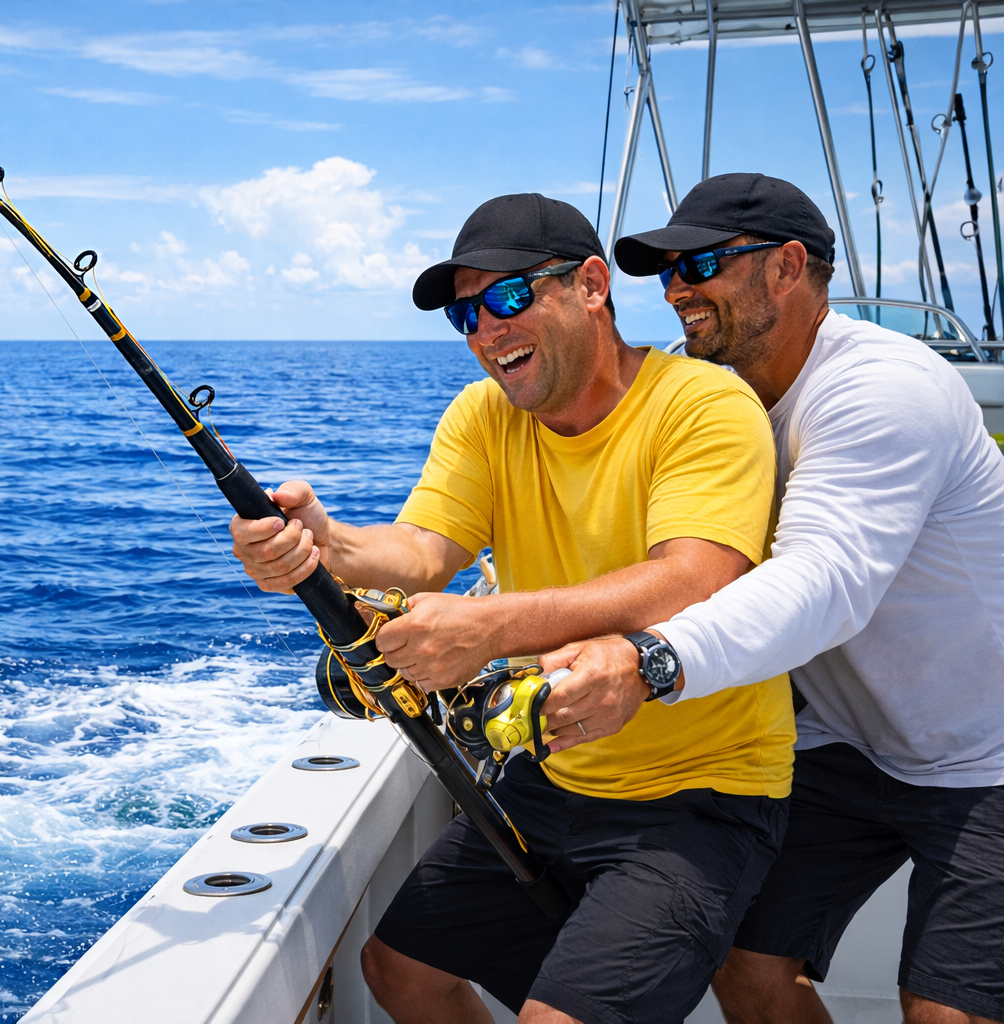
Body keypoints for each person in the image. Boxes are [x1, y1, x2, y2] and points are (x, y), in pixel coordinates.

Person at [228, 193, 796, 1024]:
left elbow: (694, 578)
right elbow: (424, 552)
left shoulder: (703, 404)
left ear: (592, 286)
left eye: (508, 296)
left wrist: (487, 627)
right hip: (554, 774)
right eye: (467, 314)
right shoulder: (482, 415)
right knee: (400, 972)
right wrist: (326, 543)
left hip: (702, 796)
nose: (486, 330)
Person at [541, 173, 1004, 1024]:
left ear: (789, 267)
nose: (676, 291)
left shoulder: (882, 390)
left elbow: (823, 579)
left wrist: (650, 661)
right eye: (667, 273)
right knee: (744, 962)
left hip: (987, 753)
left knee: (944, 1010)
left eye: (701, 266)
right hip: (848, 741)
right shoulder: (714, 397)